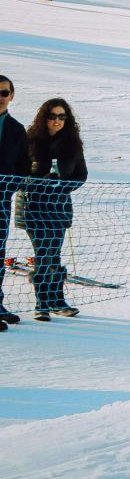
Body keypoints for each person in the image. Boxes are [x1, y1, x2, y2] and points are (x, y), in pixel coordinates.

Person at [16, 98, 88, 320]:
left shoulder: (73, 144)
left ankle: (56, 301)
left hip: (58, 208)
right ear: (43, 117)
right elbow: (17, 174)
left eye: (62, 116)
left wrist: (62, 187)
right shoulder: (29, 142)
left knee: (53, 254)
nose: (57, 121)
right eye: (52, 116)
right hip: (33, 207)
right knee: (44, 253)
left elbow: (81, 175)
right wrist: (38, 183)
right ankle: (42, 303)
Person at [0, 74, 30, 329]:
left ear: (11, 96)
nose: (0, 97)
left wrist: (7, 187)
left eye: (4, 93)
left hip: (0, 199)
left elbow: (23, 168)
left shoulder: (16, 129)